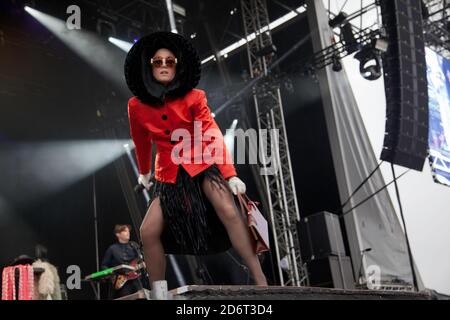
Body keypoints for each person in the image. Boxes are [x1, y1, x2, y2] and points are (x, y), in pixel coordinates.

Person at [124, 32, 267, 288]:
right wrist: (144, 171)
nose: (165, 66)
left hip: (201, 163)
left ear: (177, 66)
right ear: (149, 67)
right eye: (158, 61)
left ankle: (260, 280)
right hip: (168, 174)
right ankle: (159, 292)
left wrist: (230, 174)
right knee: (148, 231)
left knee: (228, 211)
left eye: (170, 61)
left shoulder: (194, 97)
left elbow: (212, 134)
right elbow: (141, 141)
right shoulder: (136, 106)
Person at [101, 224, 145, 299]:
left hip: (136, 280)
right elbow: (103, 266)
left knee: (142, 297)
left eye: (128, 231)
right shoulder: (112, 248)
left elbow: (141, 259)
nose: (128, 233)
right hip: (121, 282)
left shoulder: (134, 245)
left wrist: (143, 264)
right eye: (125, 231)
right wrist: (112, 274)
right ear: (118, 234)